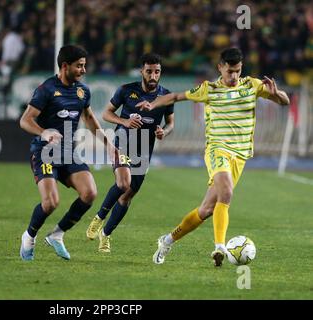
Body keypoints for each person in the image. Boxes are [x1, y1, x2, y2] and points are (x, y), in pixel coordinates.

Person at [137, 48, 290, 267]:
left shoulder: (252, 86)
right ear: (220, 68)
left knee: (207, 209)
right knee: (226, 192)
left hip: (240, 155)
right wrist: (152, 104)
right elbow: (175, 96)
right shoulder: (209, 89)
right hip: (217, 149)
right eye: (230, 71)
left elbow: (284, 101)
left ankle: (167, 240)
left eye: (237, 71)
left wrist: (276, 94)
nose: (234, 76)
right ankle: (220, 247)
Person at [19, 45, 117, 261]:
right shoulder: (46, 89)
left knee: (90, 193)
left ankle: (57, 234)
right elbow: (25, 120)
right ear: (65, 66)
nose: (83, 70)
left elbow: (89, 119)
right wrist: (44, 132)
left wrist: (108, 144)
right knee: (51, 202)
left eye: (84, 65)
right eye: (79, 66)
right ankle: (29, 236)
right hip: (44, 151)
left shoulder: (82, 91)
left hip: (67, 152)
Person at [86, 53, 174, 253]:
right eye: (149, 71)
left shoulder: (166, 96)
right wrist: (124, 122)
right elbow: (106, 113)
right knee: (122, 182)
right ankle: (99, 217)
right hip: (123, 142)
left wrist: (164, 132)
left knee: (128, 195)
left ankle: (106, 234)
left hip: (145, 148)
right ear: (142, 71)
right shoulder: (126, 91)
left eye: (157, 72)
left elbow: (170, 123)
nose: (153, 76)